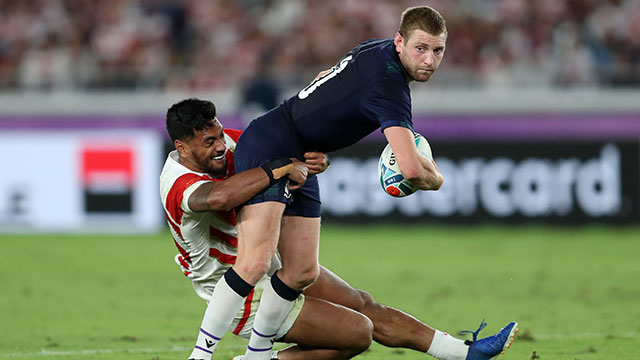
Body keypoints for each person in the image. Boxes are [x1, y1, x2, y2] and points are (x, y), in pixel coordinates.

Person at [201, 5, 518, 360]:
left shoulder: (374, 47)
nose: (429, 59)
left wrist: (315, 141)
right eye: (421, 48)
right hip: (270, 145)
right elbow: (412, 170)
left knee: (301, 271)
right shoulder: (390, 88)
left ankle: (257, 356)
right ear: (400, 41)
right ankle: (200, 355)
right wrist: (438, 178)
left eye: (438, 50)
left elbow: (326, 80)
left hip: (299, 153)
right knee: (255, 262)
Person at [160, 98, 517, 360]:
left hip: (267, 260)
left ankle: (463, 352)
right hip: (237, 291)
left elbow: (287, 152)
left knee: (363, 304)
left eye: (220, 134)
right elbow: (221, 197)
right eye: (209, 142)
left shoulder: (231, 145)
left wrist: (315, 161)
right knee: (357, 333)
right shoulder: (176, 182)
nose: (222, 145)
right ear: (182, 147)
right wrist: (281, 168)